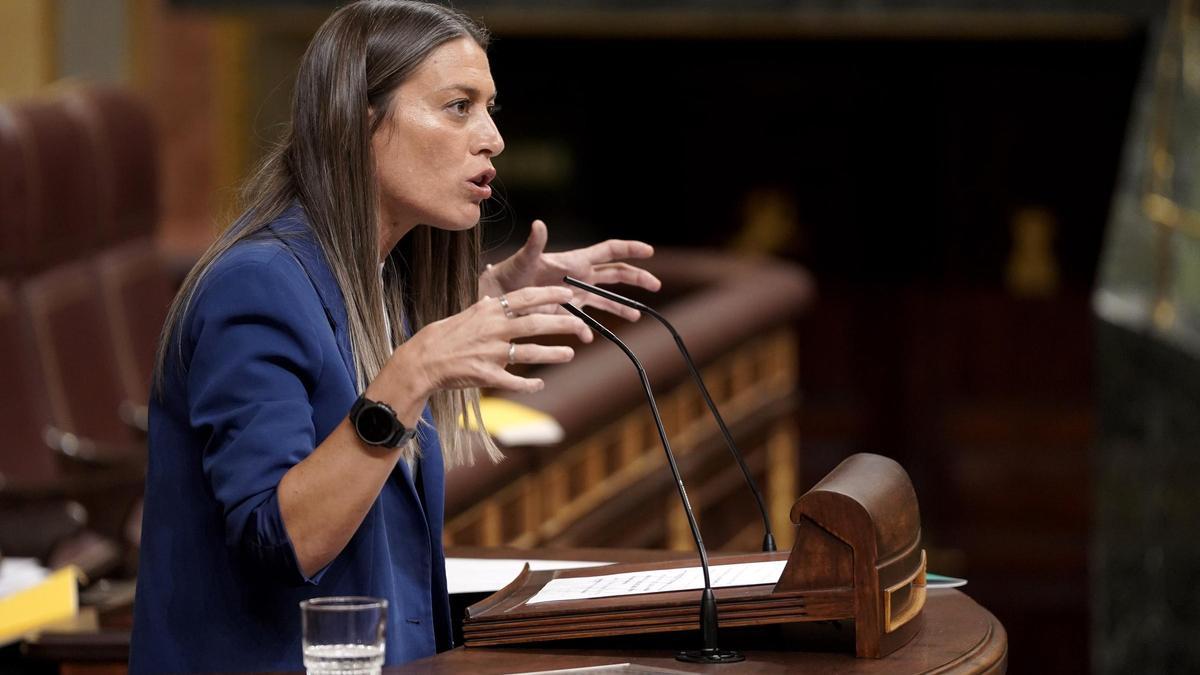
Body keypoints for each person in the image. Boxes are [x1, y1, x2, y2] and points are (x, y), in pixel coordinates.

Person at [128, 1, 660, 671]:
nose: (492, 137)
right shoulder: (253, 286)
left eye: (491, 108)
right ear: (358, 121)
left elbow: (343, 353)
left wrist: (487, 296)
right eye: (459, 106)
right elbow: (280, 538)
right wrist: (411, 375)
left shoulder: (375, 283)